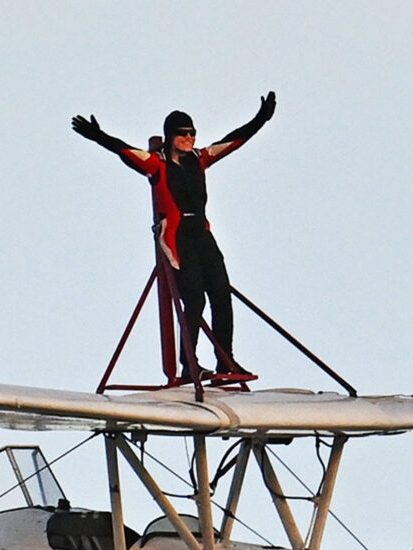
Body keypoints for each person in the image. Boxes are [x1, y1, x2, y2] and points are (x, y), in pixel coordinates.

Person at [72, 92, 276, 379]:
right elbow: (124, 150)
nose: (189, 137)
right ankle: (189, 365)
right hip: (177, 237)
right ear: (170, 136)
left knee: (221, 293)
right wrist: (98, 135)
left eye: (192, 132)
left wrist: (260, 120)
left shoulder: (200, 158)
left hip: (202, 233)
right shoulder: (157, 164)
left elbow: (233, 141)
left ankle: (226, 361)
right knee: (194, 298)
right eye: (182, 133)